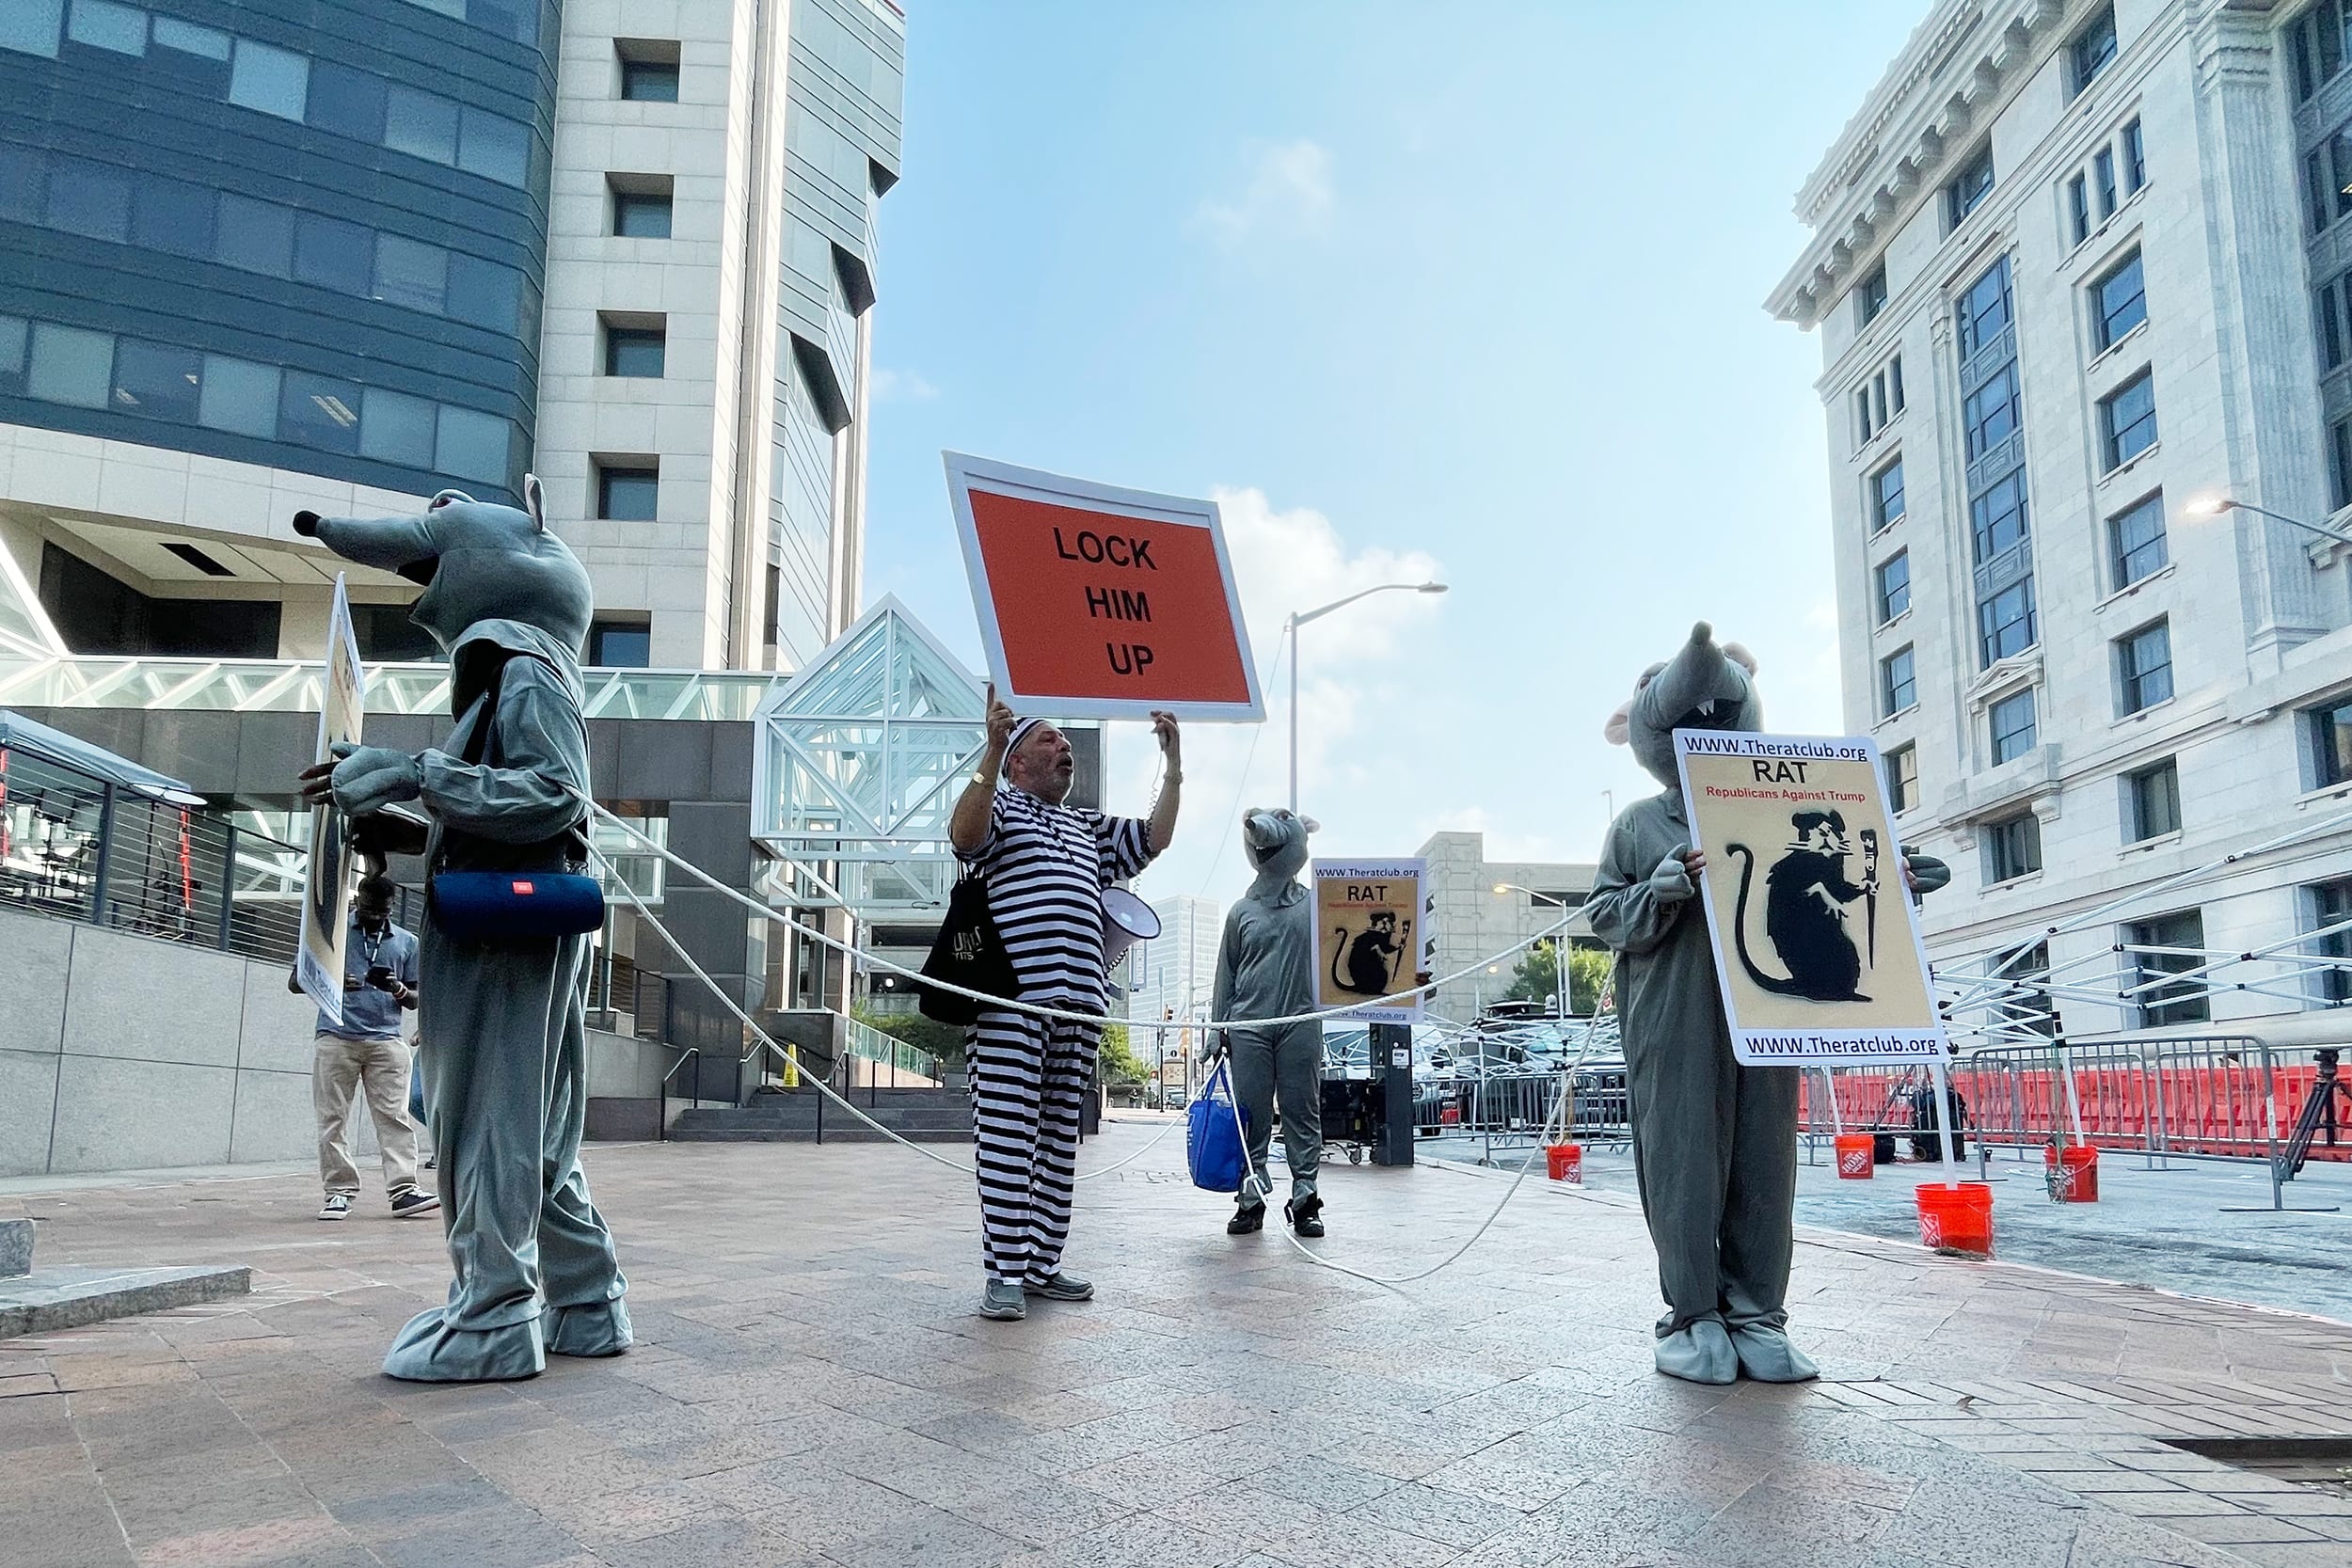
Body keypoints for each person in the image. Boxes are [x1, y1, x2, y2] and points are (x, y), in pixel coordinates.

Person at [295, 481, 628, 1382]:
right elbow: (519, 803)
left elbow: (556, 796)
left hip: (506, 937)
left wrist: (410, 772)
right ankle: (586, 1300)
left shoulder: (522, 672)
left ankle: (490, 1316)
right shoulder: (518, 672)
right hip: (518, 924)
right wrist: (406, 805)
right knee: (532, 1115)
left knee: (490, 1111)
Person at [1587, 623, 1947, 1386]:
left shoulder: (1786, 797)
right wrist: (1658, 891)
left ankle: (1756, 1312)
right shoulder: (1639, 824)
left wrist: (1895, 875)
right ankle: (1692, 1313)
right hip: (1675, 1014)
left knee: (1765, 1155)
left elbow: (1845, 870)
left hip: (1770, 1017)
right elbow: (1604, 914)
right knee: (1683, 1153)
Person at [947, 686, 1181, 1321]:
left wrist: (1174, 765)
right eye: (1050, 738)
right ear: (1021, 760)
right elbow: (964, 835)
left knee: (1055, 1140)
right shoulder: (1002, 804)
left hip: (1078, 1007)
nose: (1064, 744)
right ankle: (1004, 1273)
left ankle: (1041, 1264)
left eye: (1066, 739)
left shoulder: (1087, 825)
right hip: (1011, 1006)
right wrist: (989, 755)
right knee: (1006, 1136)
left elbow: (1154, 836)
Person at [1212, 808, 1325, 1237]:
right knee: (1253, 1116)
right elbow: (1227, 973)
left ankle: (1305, 1196)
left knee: (1302, 1111)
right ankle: (1251, 1197)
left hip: (1301, 1021)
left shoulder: (1317, 905)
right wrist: (1216, 1029)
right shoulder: (1241, 911)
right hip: (1249, 1026)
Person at [307, 875, 435, 1221]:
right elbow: (296, 980)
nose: (374, 916)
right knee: (332, 1119)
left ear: (392, 907)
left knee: (394, 1118)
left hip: (386, 1040)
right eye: (367, 909)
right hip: (336, 1036)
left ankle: (404, 1190)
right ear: (356, 901)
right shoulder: (329, 932)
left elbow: (417, 998)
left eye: (381, 911)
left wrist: (399, 990)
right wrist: (332, 983)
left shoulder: (407, 942)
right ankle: (338, 1192)